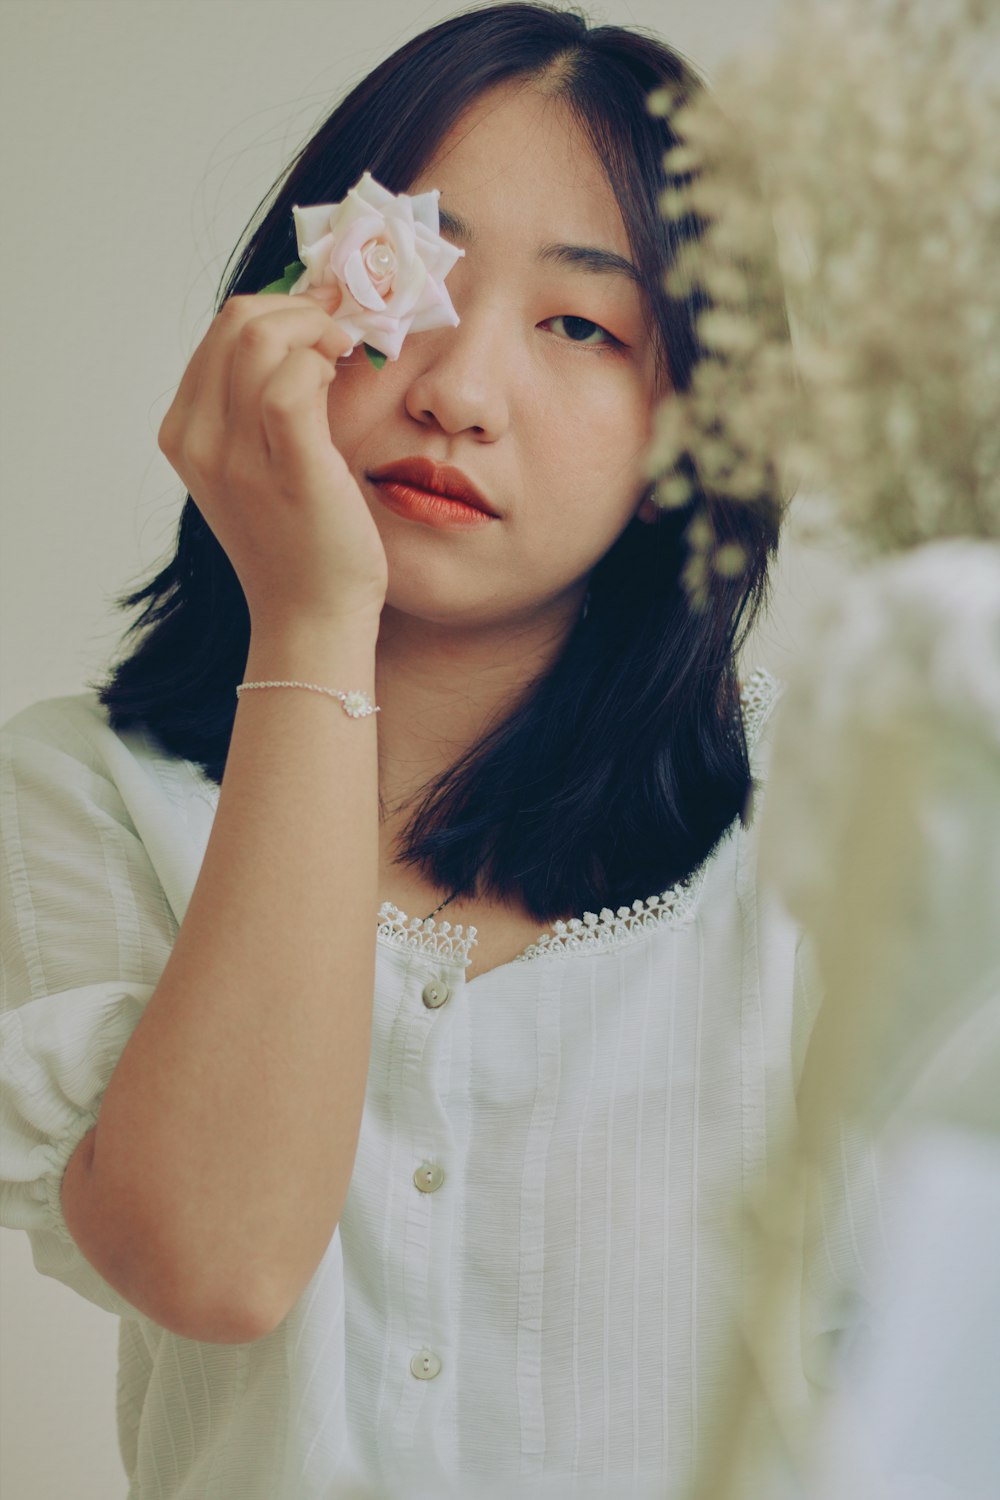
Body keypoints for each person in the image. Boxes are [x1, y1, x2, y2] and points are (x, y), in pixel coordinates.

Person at [0, 5, 838, 1497]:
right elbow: (216, 1265)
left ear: (691, 432)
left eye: (583, 325)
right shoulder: (80, 792)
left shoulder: (849, 825)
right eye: (416, 277)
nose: (457, 391)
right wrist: (314, 626)